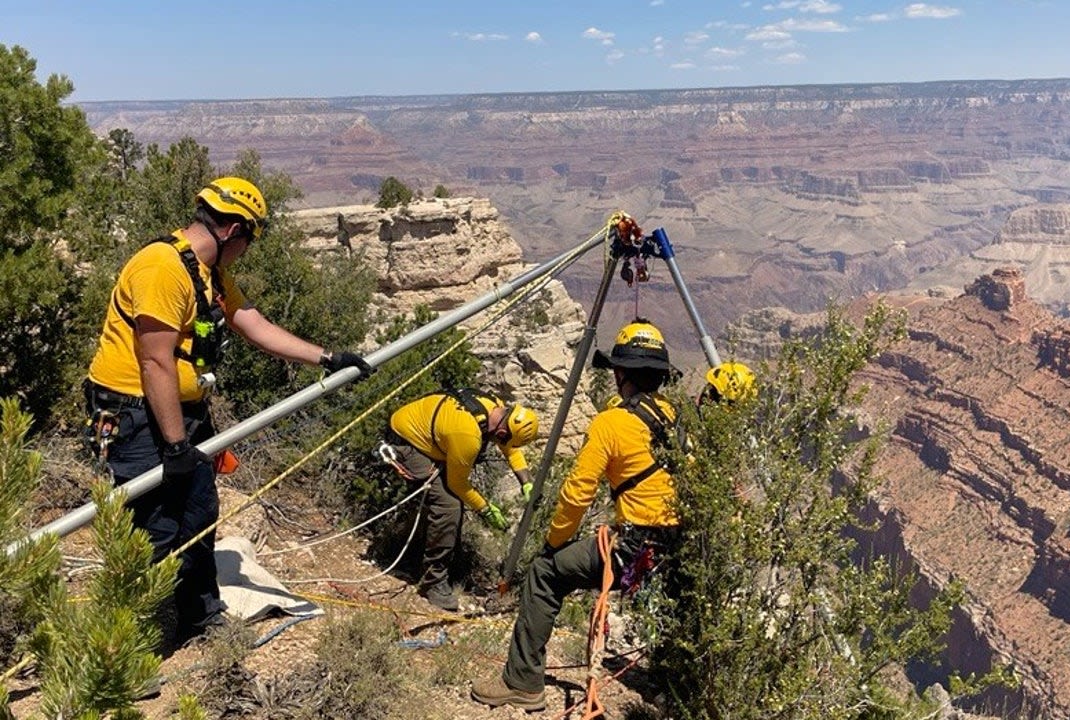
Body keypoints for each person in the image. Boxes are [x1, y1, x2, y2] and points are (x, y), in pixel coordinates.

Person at [84, 177, 373, 643]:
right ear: (233, 230)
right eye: (249, 242)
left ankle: (200, 617)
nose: (246, 251)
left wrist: (327, 357)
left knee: (198, 514)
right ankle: (127, 643)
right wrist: (176, 445)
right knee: (152, 529)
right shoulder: (162, 267)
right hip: (136, 415)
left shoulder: (208, 271)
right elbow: (154, 361)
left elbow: (251, 323)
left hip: (183, 412)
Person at [471, 320, 683, 711]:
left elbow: (577, 493)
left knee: (544, 574)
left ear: (621, 374)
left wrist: (553, 544)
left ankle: (522, 682)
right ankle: (683, 683)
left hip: (635, 549)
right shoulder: (679, 418)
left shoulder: (611, 422)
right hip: (679, 548)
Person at [382, 389, 539, 611]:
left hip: (428, 433)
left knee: (446, 498)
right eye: (503, 438)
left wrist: (526, 482)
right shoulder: (468, 436)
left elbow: (510, 449)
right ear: (503, 430)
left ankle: (417, 551)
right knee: (449, 504)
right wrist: (486, 509)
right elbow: (458, 484)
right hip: (407, 441)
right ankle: (433, 581)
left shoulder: (495, 407)